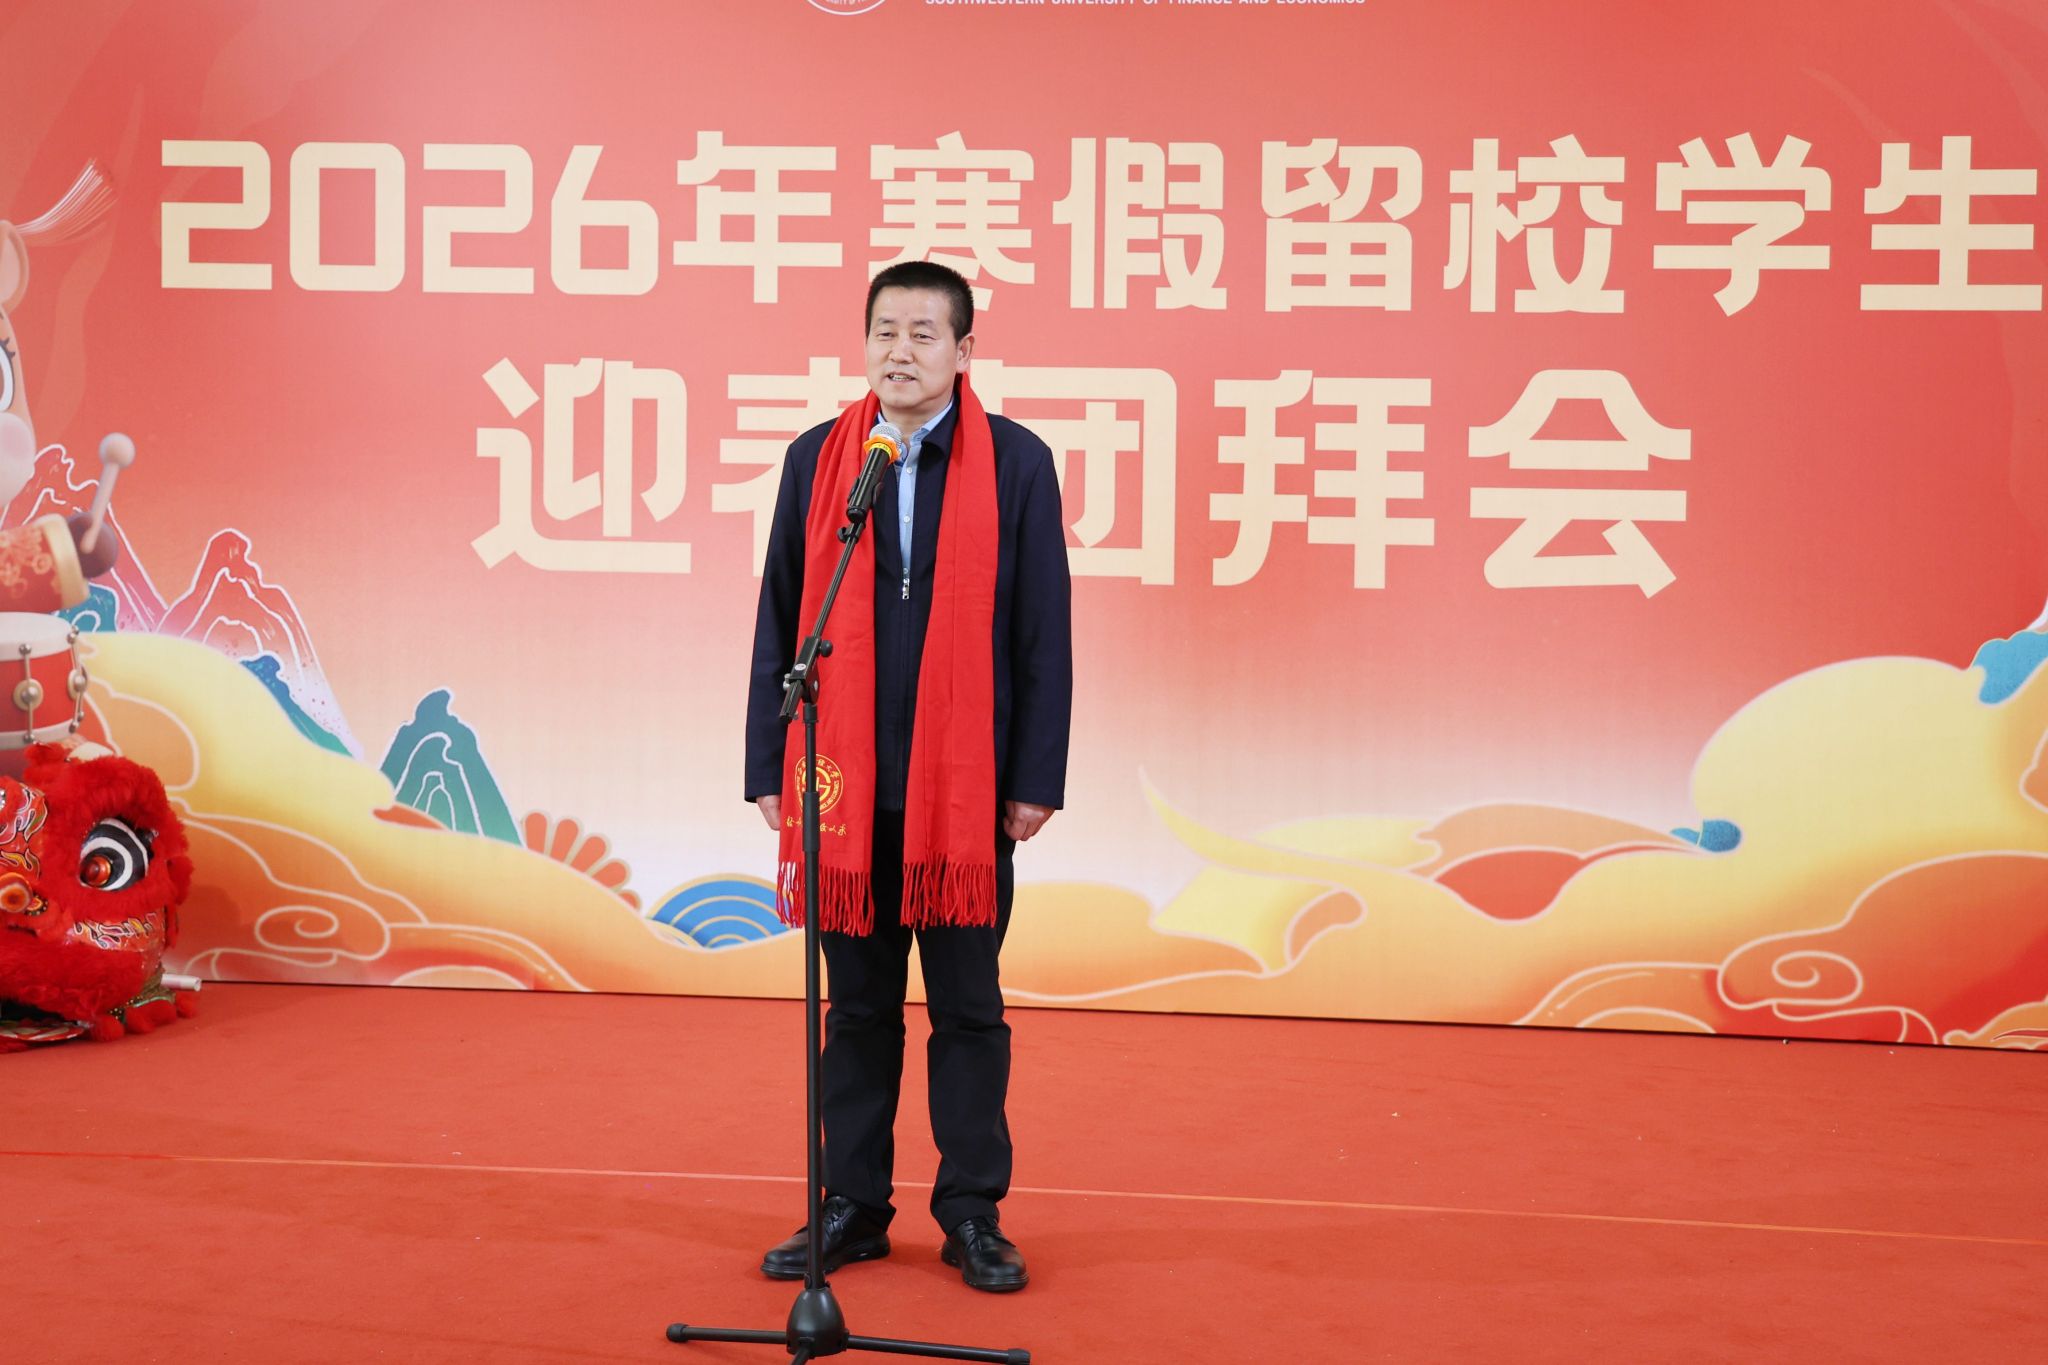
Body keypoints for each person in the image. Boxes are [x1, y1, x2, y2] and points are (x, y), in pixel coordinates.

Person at [743, 259, 1072, 1293]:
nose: (900, 351)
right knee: (857, 1012)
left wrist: (1035, 775)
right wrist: (766, 763)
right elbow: (783, 614)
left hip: (964, 799)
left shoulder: (1016, 463)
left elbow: (1043, 629)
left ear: (964, 351)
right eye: (884, 331)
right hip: (844, 792)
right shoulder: (821, 459)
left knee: (968, 1009)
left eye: (924, 334)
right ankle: (850, 1205)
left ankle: (971, 1211)